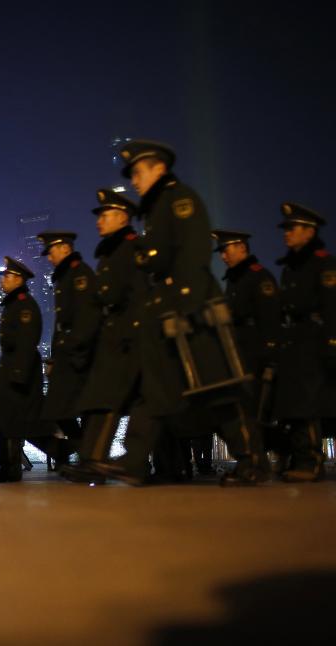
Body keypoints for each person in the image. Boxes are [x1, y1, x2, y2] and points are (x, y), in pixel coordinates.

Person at [93, 140, 268, 486]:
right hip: (168, 310)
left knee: (219, 388)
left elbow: (193, 251)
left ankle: (253, 459)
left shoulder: (179, 199)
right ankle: (134, 460)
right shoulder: (157, 207)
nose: (135, 181)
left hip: (193, 311)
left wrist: (184, 305)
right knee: (154, 387)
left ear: (159, 168)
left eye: (139, 172)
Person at [62, 189, 144, 484]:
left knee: (110, 400)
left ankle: (95, 459)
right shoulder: (113, 250)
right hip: (112, 336)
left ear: (123, 218)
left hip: (126, 336)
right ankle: (89, 458)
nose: (98, 222)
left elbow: (134, 294)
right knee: (99, 398)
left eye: (105, 215)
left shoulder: (131, 248)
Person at [273, 203, 336, 482]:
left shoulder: (323, 263)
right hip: (293, 342)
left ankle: (312, 461)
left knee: (308, 404)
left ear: (309, 232)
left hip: (313, 339)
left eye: (292, 228)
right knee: (293, 404)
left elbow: (332, 306)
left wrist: (331, 343)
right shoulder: (290, 267)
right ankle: (300, 458)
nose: (287, 233)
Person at [211, 229, 282, 470]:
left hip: (255, 349)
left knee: (254, 410)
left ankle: (257, 461)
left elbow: (270, 316)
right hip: (238, 349)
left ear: (242, 248)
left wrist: (270, 353)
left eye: (226, 250)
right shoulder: (234, 279)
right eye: (220, 252)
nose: (222, 256)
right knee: (242, 409)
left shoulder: (258, 276)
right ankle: (254, 459)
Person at [36, 230, 100, 467]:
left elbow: (87, 317)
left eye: (51, 252)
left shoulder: (79, 274)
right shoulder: (65, 277)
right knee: (58, 410)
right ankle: (85, 452)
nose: (49, 258)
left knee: (78, 410)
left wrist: (76, 350)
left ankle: (89, 457)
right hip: (67, 356)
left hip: (79, 356)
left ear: (65, 248)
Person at [0, 257, 45, 482]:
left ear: (18, 279)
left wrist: (18, 375)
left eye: (7, 276)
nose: (3, 280)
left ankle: (11, 469)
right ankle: (7, 467)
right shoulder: (14, 304)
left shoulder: (24, 304)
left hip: (17, 373)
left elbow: (27, 341)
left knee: (10, 422)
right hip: (10, 370)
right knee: (3, 420)